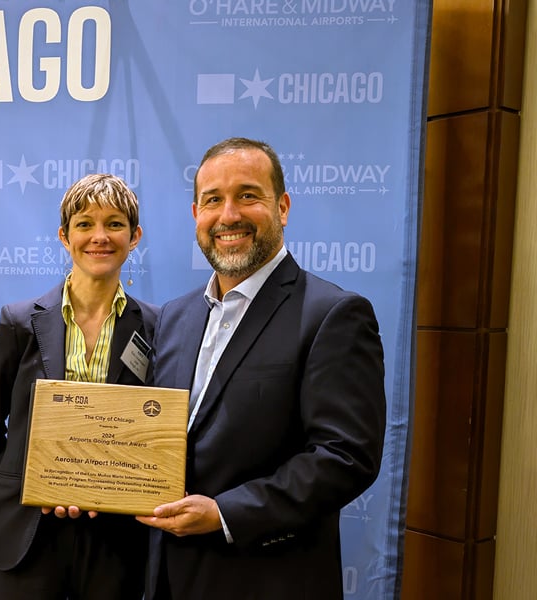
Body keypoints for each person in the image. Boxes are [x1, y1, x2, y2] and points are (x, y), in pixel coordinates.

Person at [135, 137, 386, 600]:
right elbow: (155, 435)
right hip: (167, 579)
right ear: (196, 216)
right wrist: (87, 481)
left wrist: (227, 513)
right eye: (213, 200)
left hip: (266, 579)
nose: (228, 215)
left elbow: (345, 457)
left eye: (247, 195)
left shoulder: (333, 314)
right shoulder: (174, 316)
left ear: (283, 207)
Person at [0, 173, 157, 600]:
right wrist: (35, 483)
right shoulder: (19, 322)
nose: (99, 237)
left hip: (116, 538)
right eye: (85, 224)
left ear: (135, 235)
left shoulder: (158, 326)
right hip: (27, 535)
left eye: (114, 223)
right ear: (64, 236)